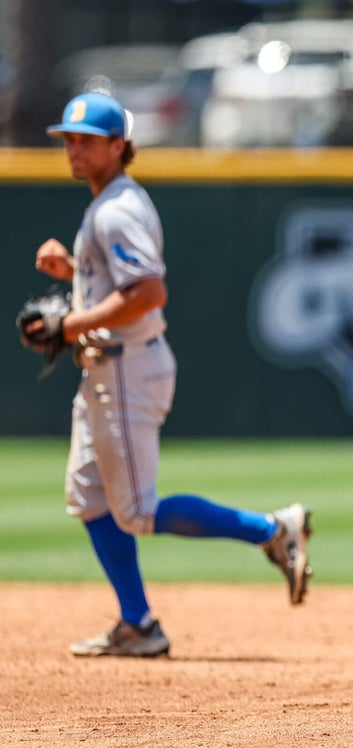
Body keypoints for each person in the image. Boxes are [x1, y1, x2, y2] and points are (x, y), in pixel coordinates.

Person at [27, 92, 314, 658]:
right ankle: (138, 624)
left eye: (87, 140)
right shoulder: (106, 203)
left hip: (126, 370)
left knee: (134, 511)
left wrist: (70, 323)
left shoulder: (116, 208)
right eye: (69, 139)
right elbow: (121, 286)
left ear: (118, 145)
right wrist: (73, 273)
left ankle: (274, 530)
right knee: (88, 497)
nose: (74, 149)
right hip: (106, 370)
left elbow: (149, 293)